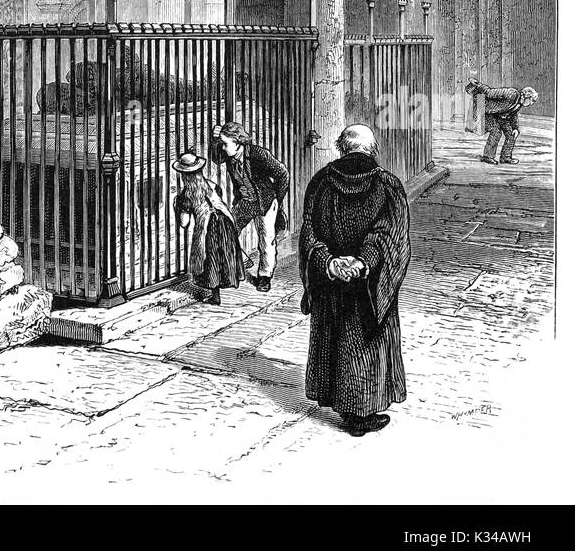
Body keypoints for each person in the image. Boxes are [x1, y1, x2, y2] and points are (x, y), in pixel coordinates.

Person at [299, 123, 411, 437]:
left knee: (335, 340)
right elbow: (390, 235)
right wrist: (364, 262)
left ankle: (343, 406)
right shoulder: (388, 185)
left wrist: (329, 262)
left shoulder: (320, 182)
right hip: (367, 284)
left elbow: (310, 233)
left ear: (341, 147)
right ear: (371, 149)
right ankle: (361, 416)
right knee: (365, 344)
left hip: (332, 281)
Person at [212, 122, 289, 292]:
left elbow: (283, 173)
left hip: (265, 202)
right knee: (226, 229)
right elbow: (216, 159)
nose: (223, 148)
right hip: (245, 202)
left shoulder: (257, 154)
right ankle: (243, 260)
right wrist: (214, 139)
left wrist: (277, 199)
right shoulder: (229, 154)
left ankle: (264, 276)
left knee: (266, 239)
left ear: (237, 142)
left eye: (225, 144)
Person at [173, 148, 244, 305]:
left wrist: (176, 206)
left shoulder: (186, 195)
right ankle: (217, 292)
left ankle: (215, 295)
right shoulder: (212, 185)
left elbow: (184, 223)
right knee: (222, 255)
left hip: (208, 227)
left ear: (185, 175)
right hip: (225, 223)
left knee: (210, 258)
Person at [465, 80, 539, 164]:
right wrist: (478, 85)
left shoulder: (519, 103)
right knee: (496, 131)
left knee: (512, 133)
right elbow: (489, 92)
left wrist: (515, 128)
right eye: (532, 100)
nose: (532, 103)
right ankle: (487, 157)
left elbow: (513, 115)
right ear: (527, 96)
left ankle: (506, 157)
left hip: (500, 114)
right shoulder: (511, 93)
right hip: (484, 107)